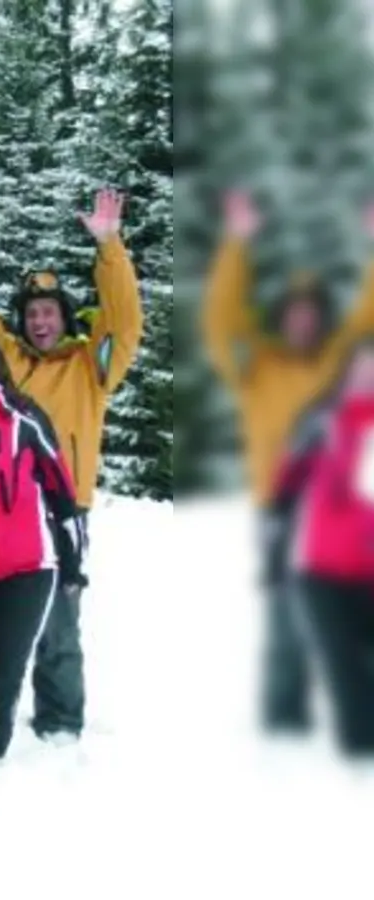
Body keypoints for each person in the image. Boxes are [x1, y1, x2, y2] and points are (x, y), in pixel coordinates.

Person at [0, 188, 143, 744]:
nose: (40, 321)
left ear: (65, 315)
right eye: (31, 313)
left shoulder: (92, 366)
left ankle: (58, 719)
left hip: (59, 511)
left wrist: (110, 247)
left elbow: (125, 323)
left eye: (49, 312)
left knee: (57, 624)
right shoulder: (6, 362)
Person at [201, 191, 374, 734]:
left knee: (348, 614)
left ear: (322, 320)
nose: (303, 321)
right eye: (294, 313)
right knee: (283, 616)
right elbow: (221, 322)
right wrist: (237, 243)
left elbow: (367, 318)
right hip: (278, 510)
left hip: (340, 511)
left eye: (311, 314)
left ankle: (355, 710)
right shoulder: (257, 366)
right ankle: (285, 719)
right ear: (281, 319)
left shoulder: (335, 364)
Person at [0, 336, 84, 776]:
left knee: (5, 661)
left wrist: (73, 558)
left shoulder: (24, 417)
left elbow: (61, 487)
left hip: (29, 564)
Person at [271, 340, 374, 761]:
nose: (368, 379)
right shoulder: (322, 422)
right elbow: (286, 487)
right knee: (343, 669)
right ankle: (360, 758)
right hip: (322, 572)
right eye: (362, 370)